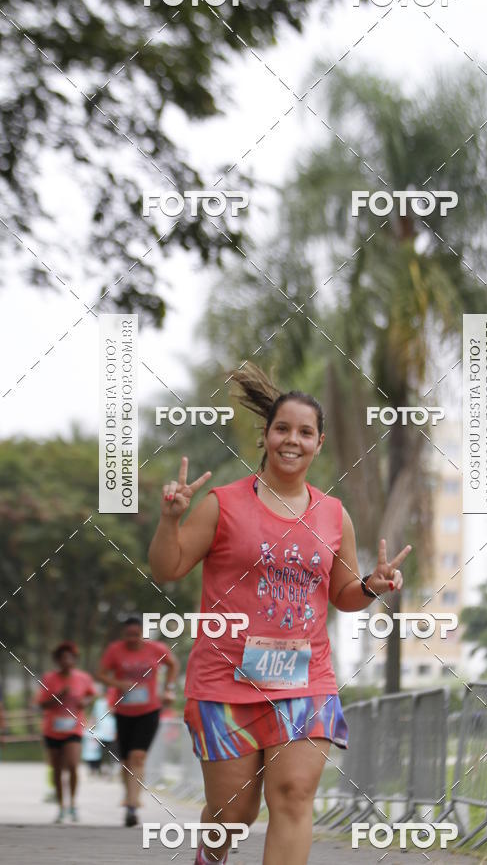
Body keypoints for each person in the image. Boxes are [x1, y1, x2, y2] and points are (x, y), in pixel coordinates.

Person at [148, 362, 412, 865]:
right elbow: (169, 567)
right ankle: (212, 851)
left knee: (292, 797)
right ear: (266, 437)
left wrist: (373, 587)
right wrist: (170, 519)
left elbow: (344, 594)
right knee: (234, 813)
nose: (293, 440)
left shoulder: (333, 515)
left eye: (305, 432)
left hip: (304, 679)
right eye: (283, 428)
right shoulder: (223, 504)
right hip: (226, 681)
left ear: (319, 442)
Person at [96, 616, 179, 826]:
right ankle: (129, 795)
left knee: (138, 756)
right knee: (125, 761)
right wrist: (117, 682)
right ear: (124, 635)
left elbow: (173, 665)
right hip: (123, 711)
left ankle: (132, 806)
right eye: (128, 635)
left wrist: (168, 689)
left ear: (143, 633)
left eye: (136, 634)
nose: (132, 638)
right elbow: (101, 674)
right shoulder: (115, 650)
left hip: (149, 710)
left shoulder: (156, 649)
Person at [36, 641, 96, 823]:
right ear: (57, 660)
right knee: (56, 769)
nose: (66, 661)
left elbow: (91, 694)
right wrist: (58, 696)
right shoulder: (49, 679)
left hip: (74, 728)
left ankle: (73, 805)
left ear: (74, 660)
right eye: (62, 658)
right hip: (52, 730)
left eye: (69, 657)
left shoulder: (83, 678)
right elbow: (41, 704)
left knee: (72, 765)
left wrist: (86, 702)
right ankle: (61, 807)